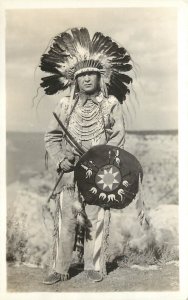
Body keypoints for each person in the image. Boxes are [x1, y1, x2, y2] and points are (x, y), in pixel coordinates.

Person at [39, 27, 133, 284]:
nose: (87, 79)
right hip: (69, 177)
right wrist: (61, 159)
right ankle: (60, 268)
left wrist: (103, 160)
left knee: (96, 218)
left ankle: (94, 265)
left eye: (92, 74)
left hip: (99, 174)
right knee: (66, 219)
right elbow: (52, 137)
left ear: (100, 78)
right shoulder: (65, 106)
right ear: (75, 80)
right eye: (82, 76)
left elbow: (118, 138)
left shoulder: (110, 105)